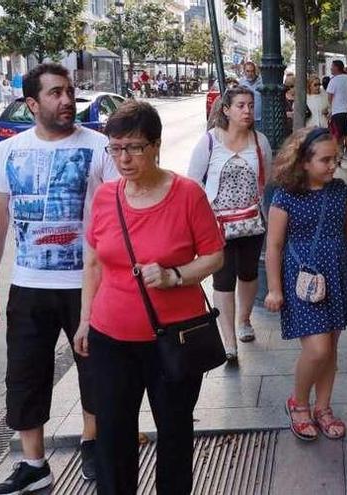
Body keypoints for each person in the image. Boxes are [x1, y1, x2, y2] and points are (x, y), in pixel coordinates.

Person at [0, 63, 118, 494]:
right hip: (29, 285)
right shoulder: (8, 152)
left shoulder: (101, 148)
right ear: (32, 103)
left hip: (89, 284)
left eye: (69, 91)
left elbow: (119, 215)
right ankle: (34, 465)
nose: (67, 100)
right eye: (55, 93)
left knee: (97, 372)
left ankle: (93, 444)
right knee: (24, 375)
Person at [73, 101, 224, 493]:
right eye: (116, 148)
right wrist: (85, 319)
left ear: (156, 146)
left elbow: (213, 255)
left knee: (174, 433)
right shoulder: (106, 198)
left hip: (172, 340)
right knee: (113, 434)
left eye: (135, 147)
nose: (123, 158)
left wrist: (175, 275)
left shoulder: (187, 195)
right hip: (110, 337)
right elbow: (93, 263)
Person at [264, 127, 347, 441]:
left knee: (331, 349)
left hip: (337, 274)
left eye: (335, 159)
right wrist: (274, 288)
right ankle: (298, 403)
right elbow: (273, 245)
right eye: (325, 160)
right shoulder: (285, 195)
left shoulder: (340, 191)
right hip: (302, 279)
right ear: (303, 162)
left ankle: (323, 407)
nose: (332, 165)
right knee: (317, 349)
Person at [187, 87, 273, 362]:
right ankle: (228, 341)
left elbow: (266, 180)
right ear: (226, 110)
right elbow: (193, 183)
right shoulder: (210, 142)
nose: (247, 111)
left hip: (251, 222)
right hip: (216, 225)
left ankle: (244, 320)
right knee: (222, 279)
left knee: (248, 273)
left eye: (250, 105)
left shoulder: (260, 142)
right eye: (240, 106)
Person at [325, 60, 347, 164]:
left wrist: (330, 110)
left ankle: (338, 157)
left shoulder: (334, 80)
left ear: (337, 67)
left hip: (338, 112)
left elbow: (330, 97)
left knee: (338, 136)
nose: (331, 68)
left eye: (332, 66)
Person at [239, 61, 263, 128]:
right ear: (244, 71)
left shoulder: (261, 82)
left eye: (252, 71)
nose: (250, 73)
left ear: (255, 71)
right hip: (246, 118)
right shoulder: (241, 83)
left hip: (259, 119)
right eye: (248, 71)